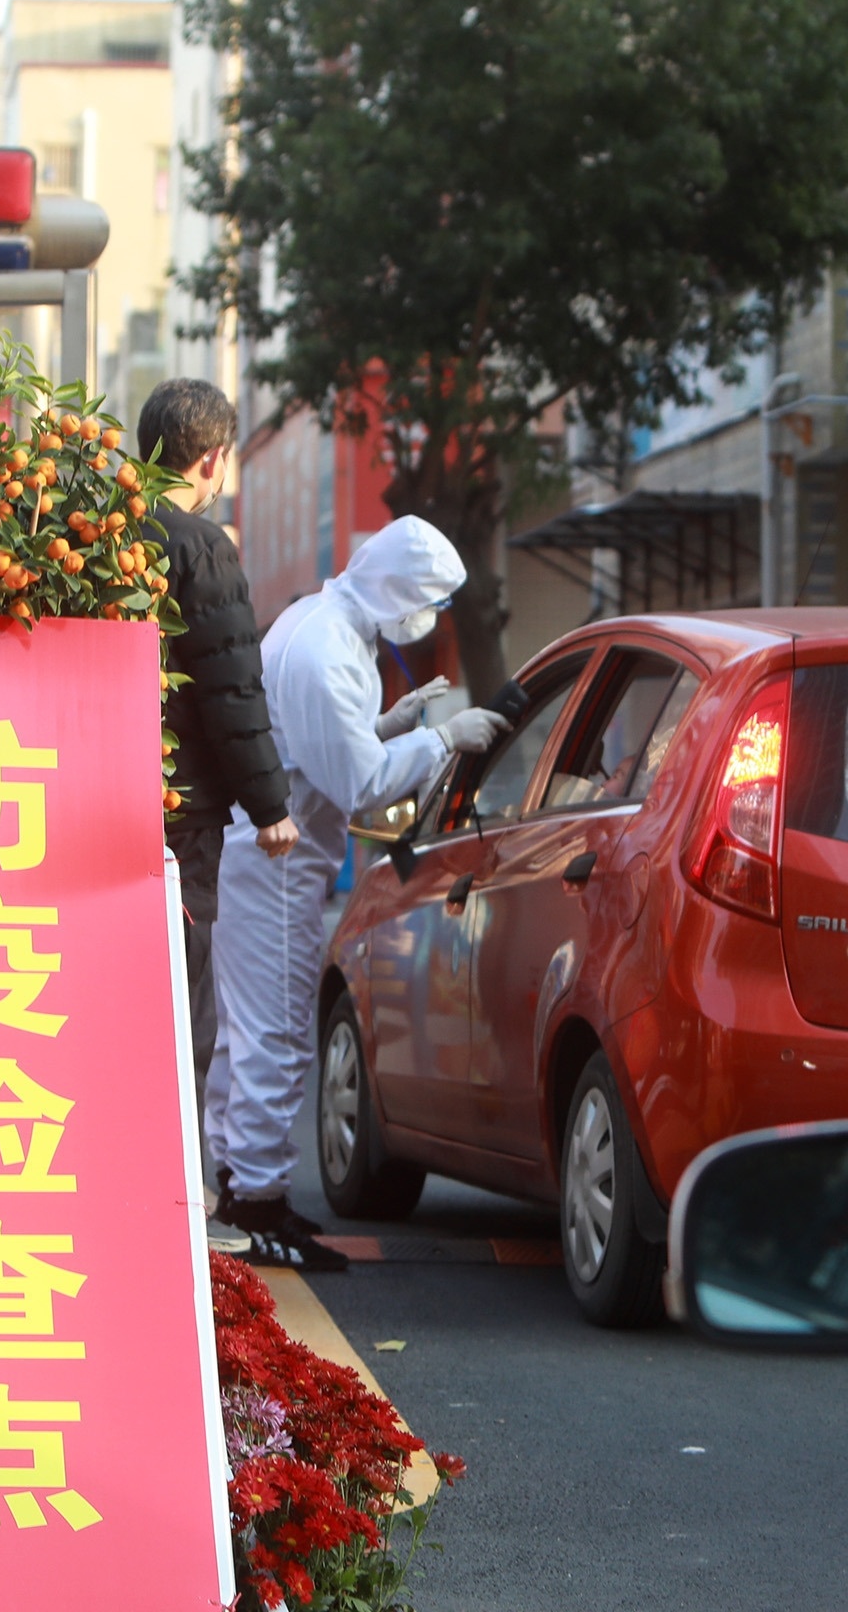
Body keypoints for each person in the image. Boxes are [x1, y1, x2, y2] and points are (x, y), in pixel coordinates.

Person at [209, 516, 505, 1271]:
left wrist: (386, 726)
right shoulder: (326, 651)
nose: (429, 617)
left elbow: (324, 748)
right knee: (275, 1032)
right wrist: (442, 738)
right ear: (400, 589)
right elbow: (358, 781)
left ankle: (234, 1189)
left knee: (250, 1033)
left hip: (270, 856)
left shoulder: (324, 625)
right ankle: (256, 1202)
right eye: (429, 600)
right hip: (278, 863)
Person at [134, 380, 300, 1110]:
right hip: (180, 810)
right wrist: (271, 806)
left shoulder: (91, 532)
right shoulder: (200, 548)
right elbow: (231, 686)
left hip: (77, 791)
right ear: (212, 461)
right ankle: (181, 1202)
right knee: (178, 993)